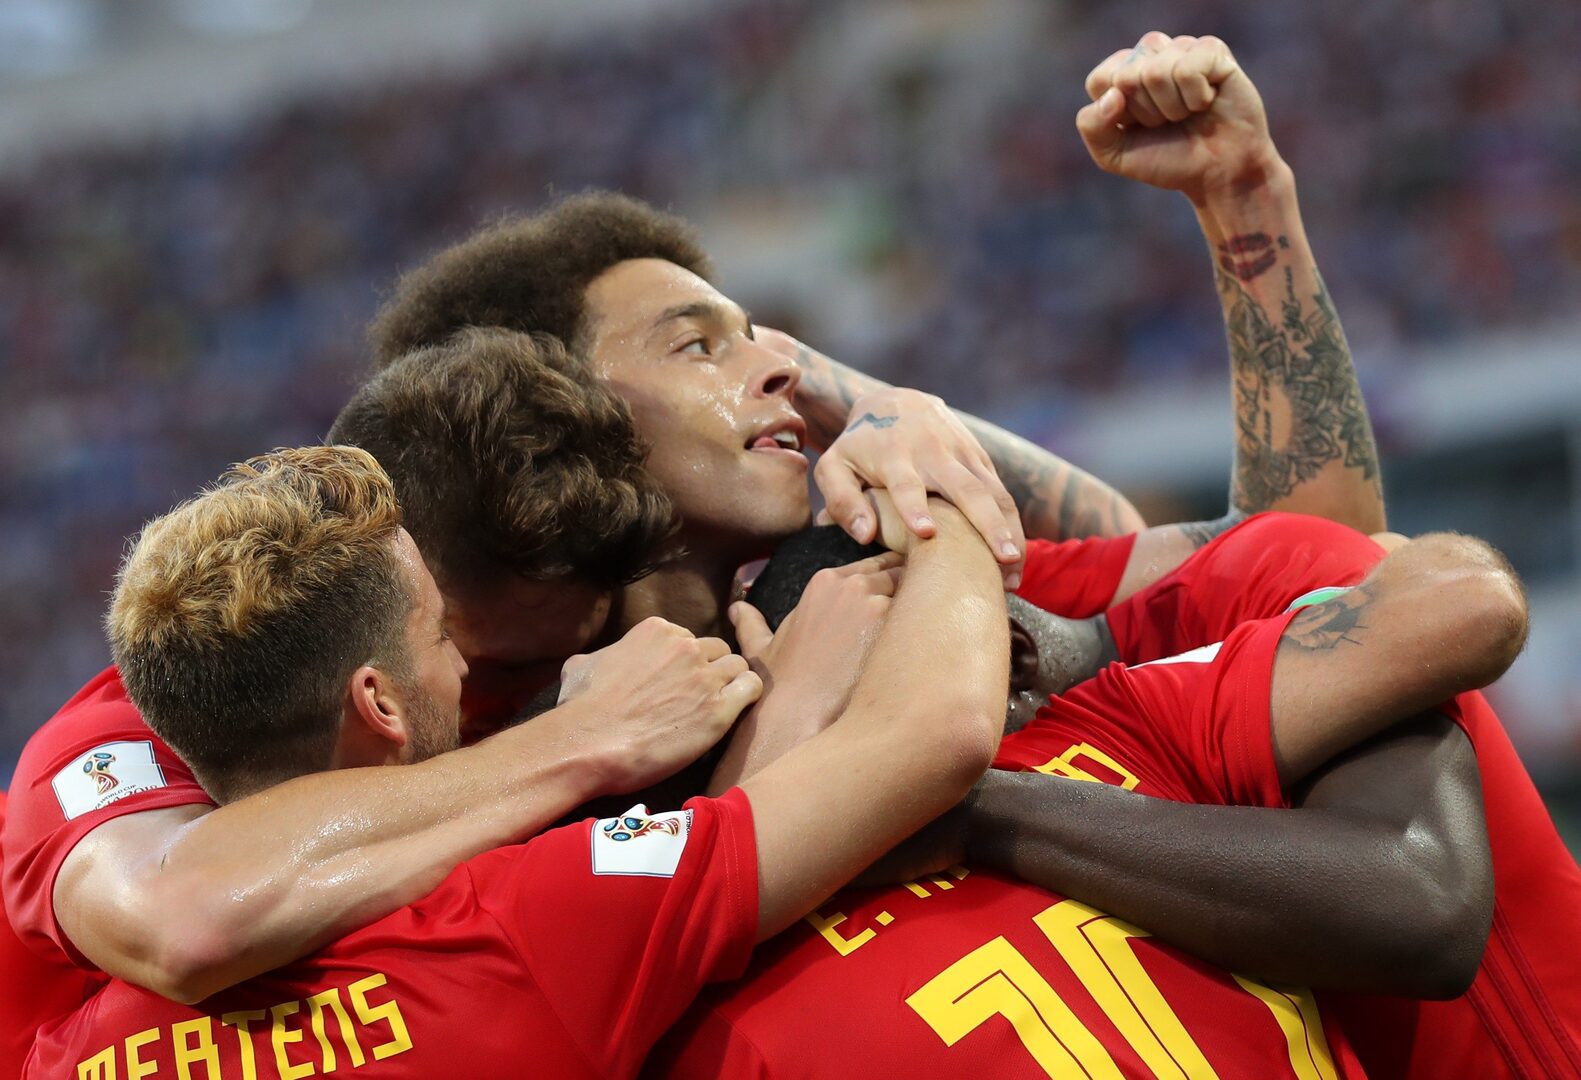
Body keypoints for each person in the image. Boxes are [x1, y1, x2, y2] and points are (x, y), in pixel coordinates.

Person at [28, 444, 1009, 1079]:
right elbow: (929, 735)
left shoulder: (64, 1038)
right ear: (377, 702)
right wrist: (932, 491)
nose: (465, 663)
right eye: (438, 632)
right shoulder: (513, 929)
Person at [648, 508, 1525, 1077]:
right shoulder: (700, 967)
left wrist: (980, 810)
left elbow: (1421, 908)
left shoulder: (1119, 717)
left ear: (1011, 657)